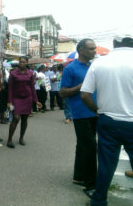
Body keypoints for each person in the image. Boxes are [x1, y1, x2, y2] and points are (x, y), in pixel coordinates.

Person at [80, 32, 133, 206]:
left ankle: (99, 200)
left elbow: (85, 95)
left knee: (106, 164)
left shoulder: (99, 62)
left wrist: (97, 110)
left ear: (115, 43)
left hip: (108, 120)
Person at [60, 38, 97, 198]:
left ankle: (78, 176)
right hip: (81, 114)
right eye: (91, 48)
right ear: (81, 50)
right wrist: (80, 87)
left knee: (82, 146)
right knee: (90, 147)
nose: (94, 51)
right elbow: (62, 92)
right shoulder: (71, 68)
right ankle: (92, 184)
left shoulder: (93, 67)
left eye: (94, 48)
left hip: (95, 112)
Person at [6, 56, 41, 148]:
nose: (22, 63)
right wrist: (9, 101)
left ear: (27, 63)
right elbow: (10, 89)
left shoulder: (30, 74)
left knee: (25, 119)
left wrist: (36, 100)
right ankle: (9, 139)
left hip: (27, 99)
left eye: (24, 62)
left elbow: (32, 88)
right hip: (16, 99)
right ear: (19, 63)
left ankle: (21, 138)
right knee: (16, 118)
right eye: (20, 62)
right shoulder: (13, 73)